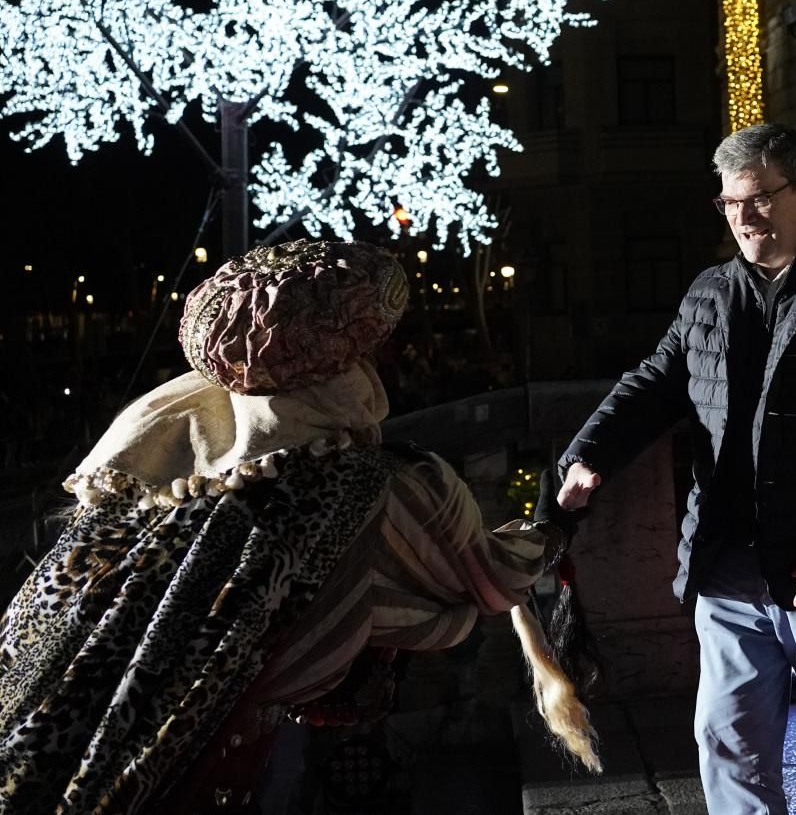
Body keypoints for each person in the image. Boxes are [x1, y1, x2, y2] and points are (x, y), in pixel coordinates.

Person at [0, 239, 590, 815]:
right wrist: (552, 524)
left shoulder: (144, 468)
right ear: (350, 360)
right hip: (188, 775)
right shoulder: (379, 486)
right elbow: (489, 580)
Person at [555, 123, 796, 815]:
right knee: (727, 740)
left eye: (760, 198)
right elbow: (654, 382)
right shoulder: (710, 292)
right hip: (729, 559)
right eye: (730, 203)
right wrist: (590, 455)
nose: (744, 217)